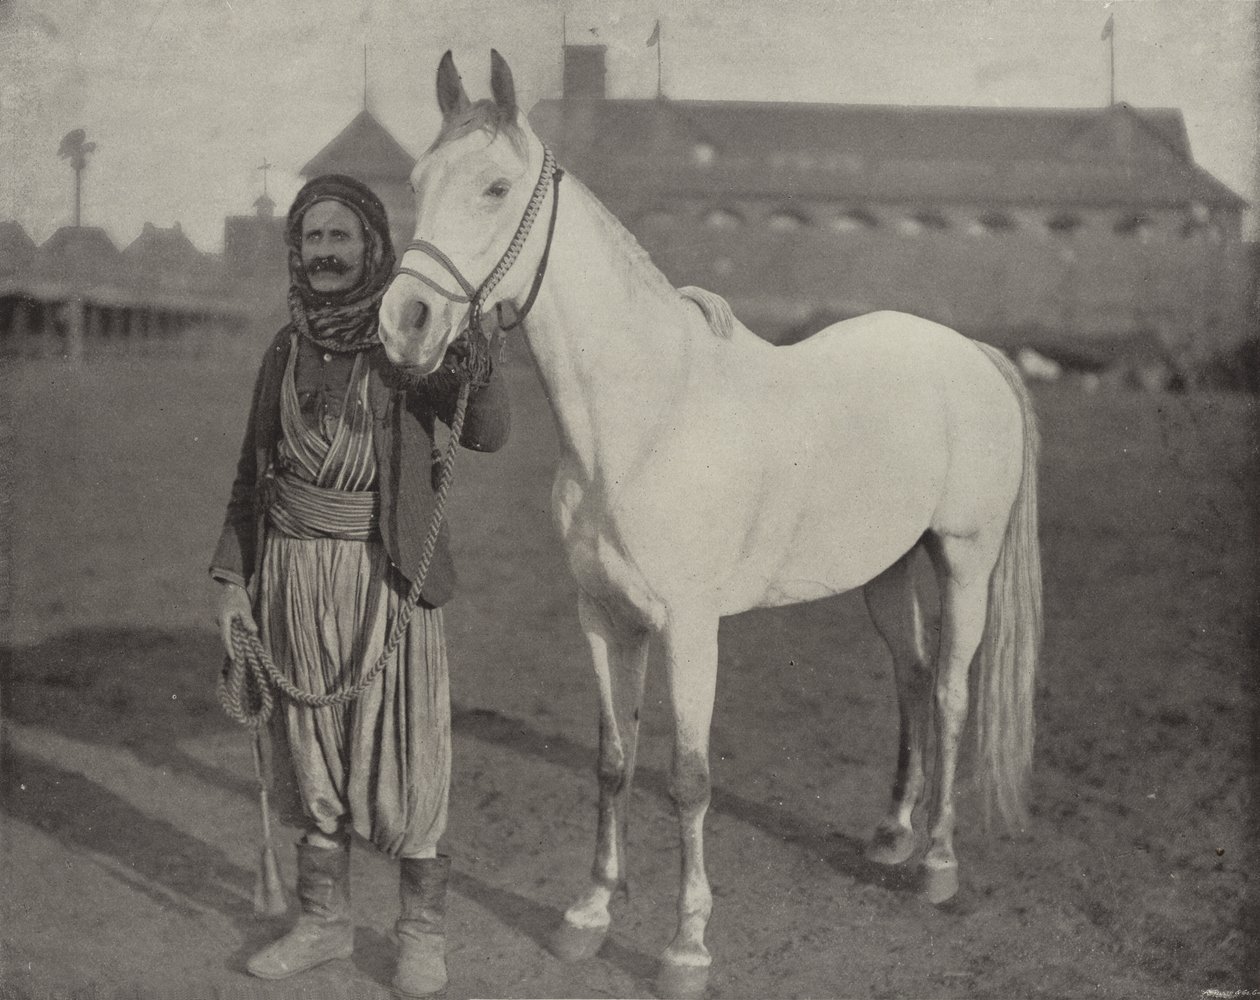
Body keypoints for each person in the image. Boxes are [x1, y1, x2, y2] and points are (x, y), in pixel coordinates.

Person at [210, 173, 509, 998]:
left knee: (406, 757)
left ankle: (420, 936)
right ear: (296, 252)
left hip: (388, 578)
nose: (327, 254)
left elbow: (488, 433)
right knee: (312, 761)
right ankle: (323, 923)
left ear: (372, 246)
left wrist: (478, 353)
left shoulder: (408, 341)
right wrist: (233, 578)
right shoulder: (284, 348)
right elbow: (250, 473)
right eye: (313, 240)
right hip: (292, 581)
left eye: (341, 238)